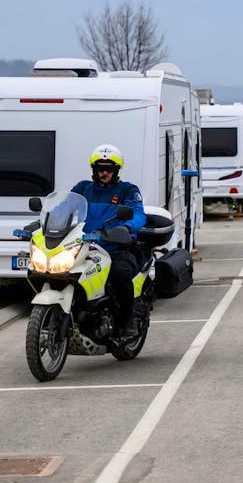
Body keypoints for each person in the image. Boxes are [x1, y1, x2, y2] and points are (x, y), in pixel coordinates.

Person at [72, 144, 147, 338]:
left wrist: (127, 227)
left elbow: (139, 214)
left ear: (116, 170)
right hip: (85, 248)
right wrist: (44, 221)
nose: (103, 173)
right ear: (94, 170)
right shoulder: (83, 188)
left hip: (116, 249)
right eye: (99, 169)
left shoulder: (127, 190)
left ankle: (128, 321)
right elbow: (64, 207)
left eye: (108, 169)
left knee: (119, 274)